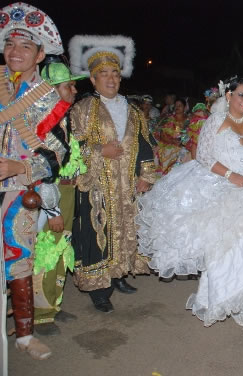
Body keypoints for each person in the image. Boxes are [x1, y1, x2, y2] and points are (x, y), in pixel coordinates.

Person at [136, 76, 243, 333]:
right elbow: (203, 155)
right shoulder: (216, 121)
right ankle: (222, 298)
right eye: (241, 95)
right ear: (229, 96)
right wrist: (229, 175)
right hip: (224, 189)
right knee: (226, 249)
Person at [0, 2, 70, 359]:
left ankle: (25, 336)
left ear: (40, 54)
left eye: (26, 46)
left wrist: (18, 168)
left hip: (18, 191)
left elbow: (58, 155)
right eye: (11, 44)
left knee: (18, 258)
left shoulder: (50, 100)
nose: (16, 52)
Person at [68, 35, 157, 313]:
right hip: (98, 185)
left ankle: (118, 275)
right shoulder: (82, 109)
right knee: (100, 234)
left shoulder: (133, 112)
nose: (111, 79)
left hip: (127, 184)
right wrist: (98, 150)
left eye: (115, 74)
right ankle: (100, 289)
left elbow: (145, 144)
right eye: (103, 74)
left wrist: (145, 176)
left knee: (126, 230)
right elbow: (70, 148)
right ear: (93, 80)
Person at [32, 58, 88, 336]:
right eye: (69, 86)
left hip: (67, 190)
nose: (74, 91)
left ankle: (53, 304)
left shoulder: (63, 117)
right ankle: (40, 314)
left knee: (61, 248)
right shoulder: (41, 122)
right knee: (45, 250)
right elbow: (40, 170)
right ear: (53, 89)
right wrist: (51, 210)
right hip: (49, 198)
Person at [154, 98, 190, 175]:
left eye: (180, 106)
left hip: (184, 146)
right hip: (169, 145)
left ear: (184, 107)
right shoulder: (169, 119)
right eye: (176, 105)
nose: (177, 107)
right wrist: (173, 141)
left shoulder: (189, 120)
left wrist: (184, 143)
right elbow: (163, 135)